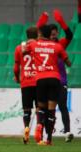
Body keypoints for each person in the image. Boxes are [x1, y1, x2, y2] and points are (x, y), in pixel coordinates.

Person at [25, 25, 72, 145]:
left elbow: (25, 50)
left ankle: (40, 124)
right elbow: (68, 62)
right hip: (55, 79)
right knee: (51, 111)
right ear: (50, 35)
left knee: (41, 107)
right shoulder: (57, 46)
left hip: (40, 78)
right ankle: (49, 139)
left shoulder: (35, 44)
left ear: (41, 34)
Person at [37, 10, 74, 142]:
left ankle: (67, 132)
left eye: (55, 34)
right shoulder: (43, 45)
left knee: (63, 106)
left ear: (57, 33)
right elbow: (35, 34)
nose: (53, 36)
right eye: (51, 34)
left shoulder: (60, 44)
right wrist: (43, 20)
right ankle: (47, 134)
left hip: (61, 80)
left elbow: (70, 35)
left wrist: (61, 21)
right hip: (49, 80)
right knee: (47, 109)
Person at [14, 26, 38, 144]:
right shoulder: (39, 47)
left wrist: (17, 77)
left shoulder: (19, 48)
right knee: (40, 109)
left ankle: (27, 128)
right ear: (37, 34)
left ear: (27, 35)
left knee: (27, 110)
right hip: (38, 81)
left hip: (26, 82)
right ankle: (40, 133)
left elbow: (16, 67)